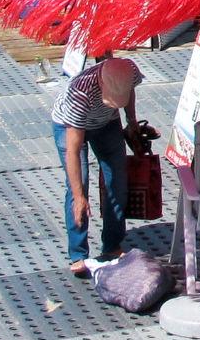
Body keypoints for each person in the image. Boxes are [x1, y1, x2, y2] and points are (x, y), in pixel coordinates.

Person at [54, 55, 145, 277]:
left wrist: (131, 122)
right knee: (78, 185)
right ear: (101, 83)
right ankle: (78, 253)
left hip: (107, 122)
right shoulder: (80, 91)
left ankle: (112, 244)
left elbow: (130, 91)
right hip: (70, 125)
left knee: (117, 179)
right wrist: (79, 197)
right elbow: (73, 152)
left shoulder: (129, 70)